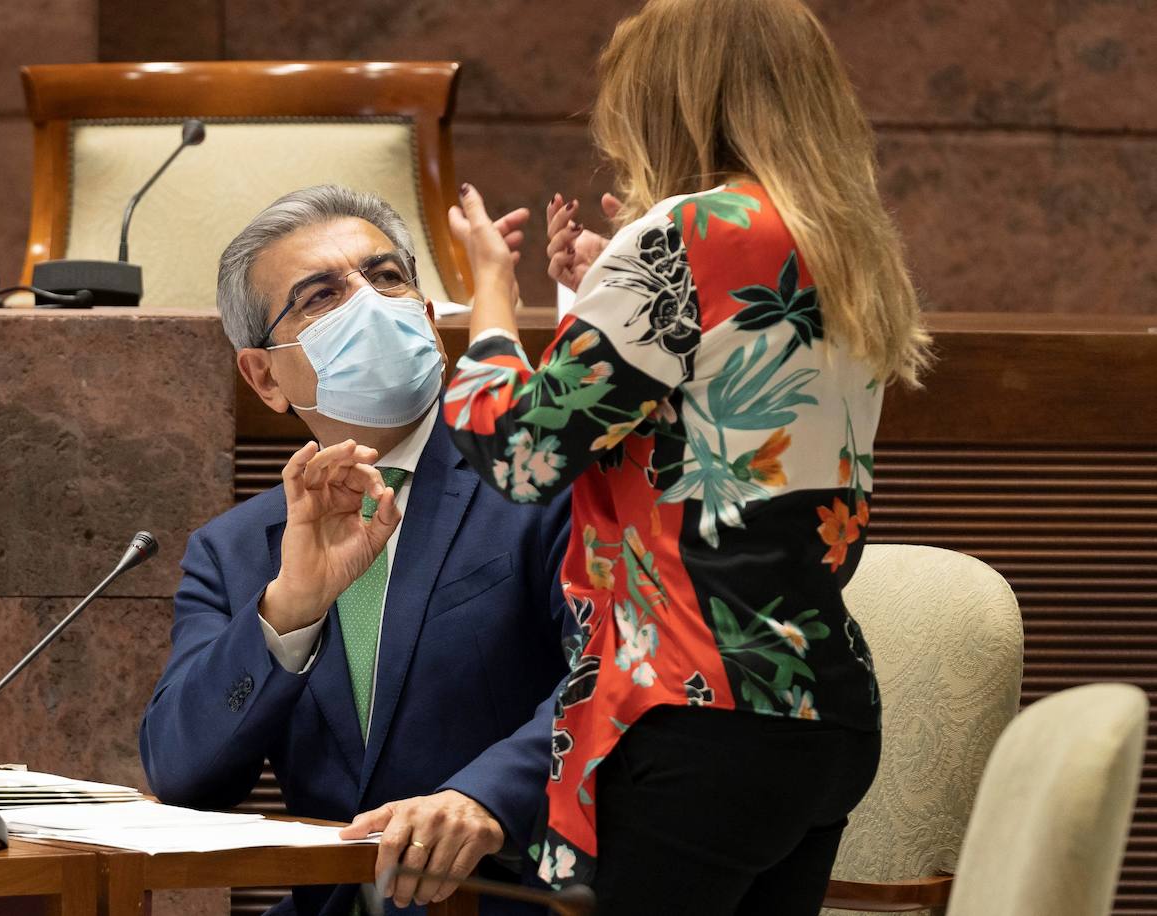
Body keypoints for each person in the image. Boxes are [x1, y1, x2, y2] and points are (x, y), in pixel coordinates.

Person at [441, 0, 933, 912]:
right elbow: (710, 400)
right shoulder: (841, 238)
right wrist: (600, 288)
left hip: (695, 707)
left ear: (670, 97)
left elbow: (519, 456)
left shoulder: (685, 231)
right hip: (819, 712)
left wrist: (491, 301)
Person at [139, 184, 571, 916]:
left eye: (388, 277)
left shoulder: (530, 478)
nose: (369, 303)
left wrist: (482, 797)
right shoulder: (235, 551)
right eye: (320, 296)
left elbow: (613, 674)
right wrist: (290, 610)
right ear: (264, 376)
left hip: (508, 900)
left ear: (431, 324)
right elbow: (182, 772)